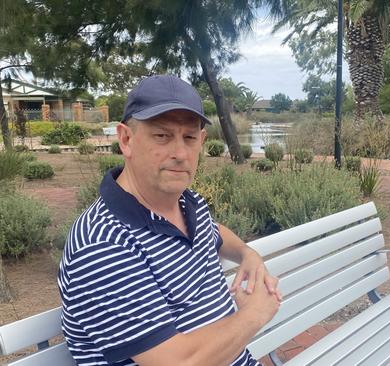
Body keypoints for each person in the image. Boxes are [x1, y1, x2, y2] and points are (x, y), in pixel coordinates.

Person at [58, 75, 282, 366]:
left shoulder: (188, 203)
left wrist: (247, 254)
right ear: (126, 139)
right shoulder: (104, 243)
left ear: (201, 141)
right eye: (162, 136)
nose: (180, 153)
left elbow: (215, 233)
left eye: (189, 138)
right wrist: (254, 314)